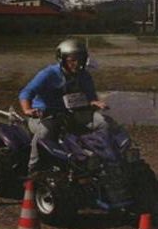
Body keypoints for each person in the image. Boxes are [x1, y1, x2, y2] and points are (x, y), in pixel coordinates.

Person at [18, 38, 109, 174]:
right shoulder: (48, 74)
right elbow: (26, 92)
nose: (76, 64)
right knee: (45, 131)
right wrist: (27, 109)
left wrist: (94, 102)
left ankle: (104, 157)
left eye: (80, 59)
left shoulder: (84, 76)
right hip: (45, 115)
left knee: (102, 122)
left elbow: (90, 96)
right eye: (72, 60)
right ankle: (33, 167)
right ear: (62, 60)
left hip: (72, 113)